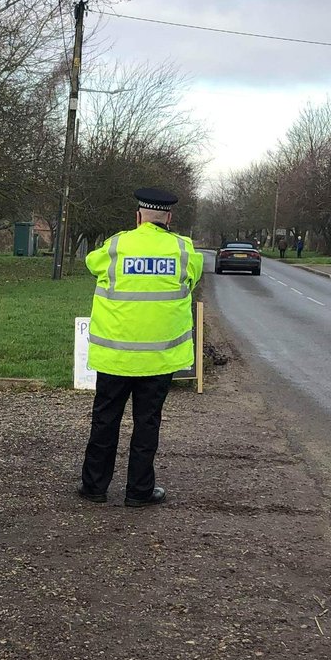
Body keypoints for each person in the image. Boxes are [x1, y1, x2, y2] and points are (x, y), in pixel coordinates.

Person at [78, 187, 203, 508]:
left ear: (138, 217)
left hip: (115, 357)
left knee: (105, 421)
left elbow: (91, 263)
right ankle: (138, 492)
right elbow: (193, 277)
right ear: (169, 218)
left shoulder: (116, 246)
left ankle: (94, 487)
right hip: (159, 359)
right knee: (147, 424)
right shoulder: (184, 251)